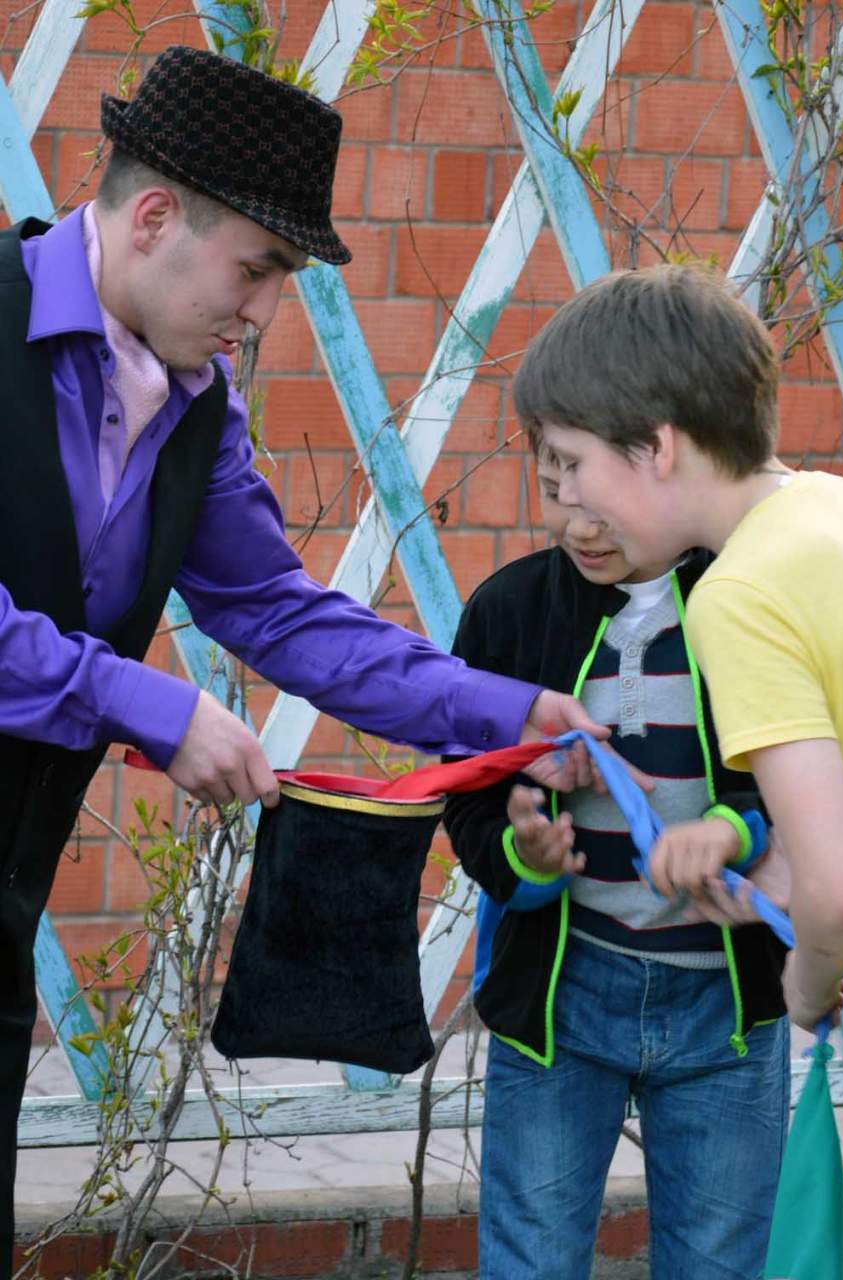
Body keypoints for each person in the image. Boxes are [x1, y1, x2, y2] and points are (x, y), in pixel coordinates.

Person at [0, 45, 603, 1274]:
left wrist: (507, 714)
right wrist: (144, 700)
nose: (266, 310)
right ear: (154, 218)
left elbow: (280, 612)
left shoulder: (196, 404)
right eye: (258, 266)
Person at [444, 398, 795, 1278]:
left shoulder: (749, 600)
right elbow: (471, 799)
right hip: (559, 1006)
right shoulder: (508, 611)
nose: (577, 525)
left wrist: (728, 829)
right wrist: (526, 857)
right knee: (529, 1260)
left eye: (596, 497)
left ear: (663, 463)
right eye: (551, 488)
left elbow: (797, 769)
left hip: (726, 1014)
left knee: (718, 1262)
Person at [508, 263, 843, 1041]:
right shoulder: (834, 507)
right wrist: (784, 862)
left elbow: (836, 894)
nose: (567, 497)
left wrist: (806, 982)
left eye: (573, 463)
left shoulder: (737, 594)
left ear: (654, 447)